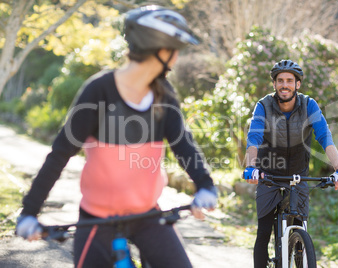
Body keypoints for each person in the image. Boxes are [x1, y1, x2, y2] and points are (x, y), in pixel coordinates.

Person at [16, 5, 217, 268]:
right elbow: (60, 154)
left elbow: (183, 145)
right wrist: (29, 213)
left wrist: (205, 185)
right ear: (160, 49)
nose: (177, 58)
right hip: (97, 217)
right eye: (175, 50)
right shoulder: (98, 91)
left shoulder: (163, 95)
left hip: (147, 216)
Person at [243, 59, 338, 268]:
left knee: (300, 226)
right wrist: (250, 167)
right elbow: (254, 137)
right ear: (274, 84)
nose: (284, 85)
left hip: (298, 174)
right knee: (263, 232)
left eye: (289, 81)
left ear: (297, 84)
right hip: (268, 174)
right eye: (280, 80)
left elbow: (325, 137)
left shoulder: (309, 105)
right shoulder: (264, 105)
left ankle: (296, 248)